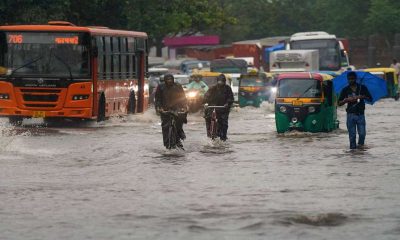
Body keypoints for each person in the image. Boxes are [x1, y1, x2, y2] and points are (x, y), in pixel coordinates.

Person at [338, 71, 372, 150]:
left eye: (352, 79)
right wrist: (346, 100)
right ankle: (353, 153)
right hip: (350, 115)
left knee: (362, 134)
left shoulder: (362, 88)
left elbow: (370, 99)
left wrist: (362, 96)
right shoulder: (345, 90)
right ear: (347, 79)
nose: (351, 80)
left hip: (360, 114)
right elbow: (339, 103)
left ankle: (360, 149)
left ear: (355, 79)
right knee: (352, 136)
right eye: (349, 79)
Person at [154, 74, 188, 149]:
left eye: (170, 79)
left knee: (179, 123)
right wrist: (159, 108)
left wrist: (185, 106)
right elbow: (158, 99)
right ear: (165, 80)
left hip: (177, 108)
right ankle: (167, 144)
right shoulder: (161, 87)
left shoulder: (178, 86)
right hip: (165, 109)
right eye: (168, 80)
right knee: (165, 127)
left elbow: (183, 97)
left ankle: (179, 137)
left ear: (173, 80)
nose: (169, 81)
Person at [203, 74, 234, 141]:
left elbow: (231, 98)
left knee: (224, 123)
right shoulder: (212, 88)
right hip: (213, 108)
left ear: (224, 81)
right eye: (219, 81)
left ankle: (224, 137)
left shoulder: (227, 88)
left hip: (223, 109)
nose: (220, 83)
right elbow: (206, 96)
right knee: (208, 119)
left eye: (222, 81)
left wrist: (227, 103)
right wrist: (205, 102)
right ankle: (209, 134)